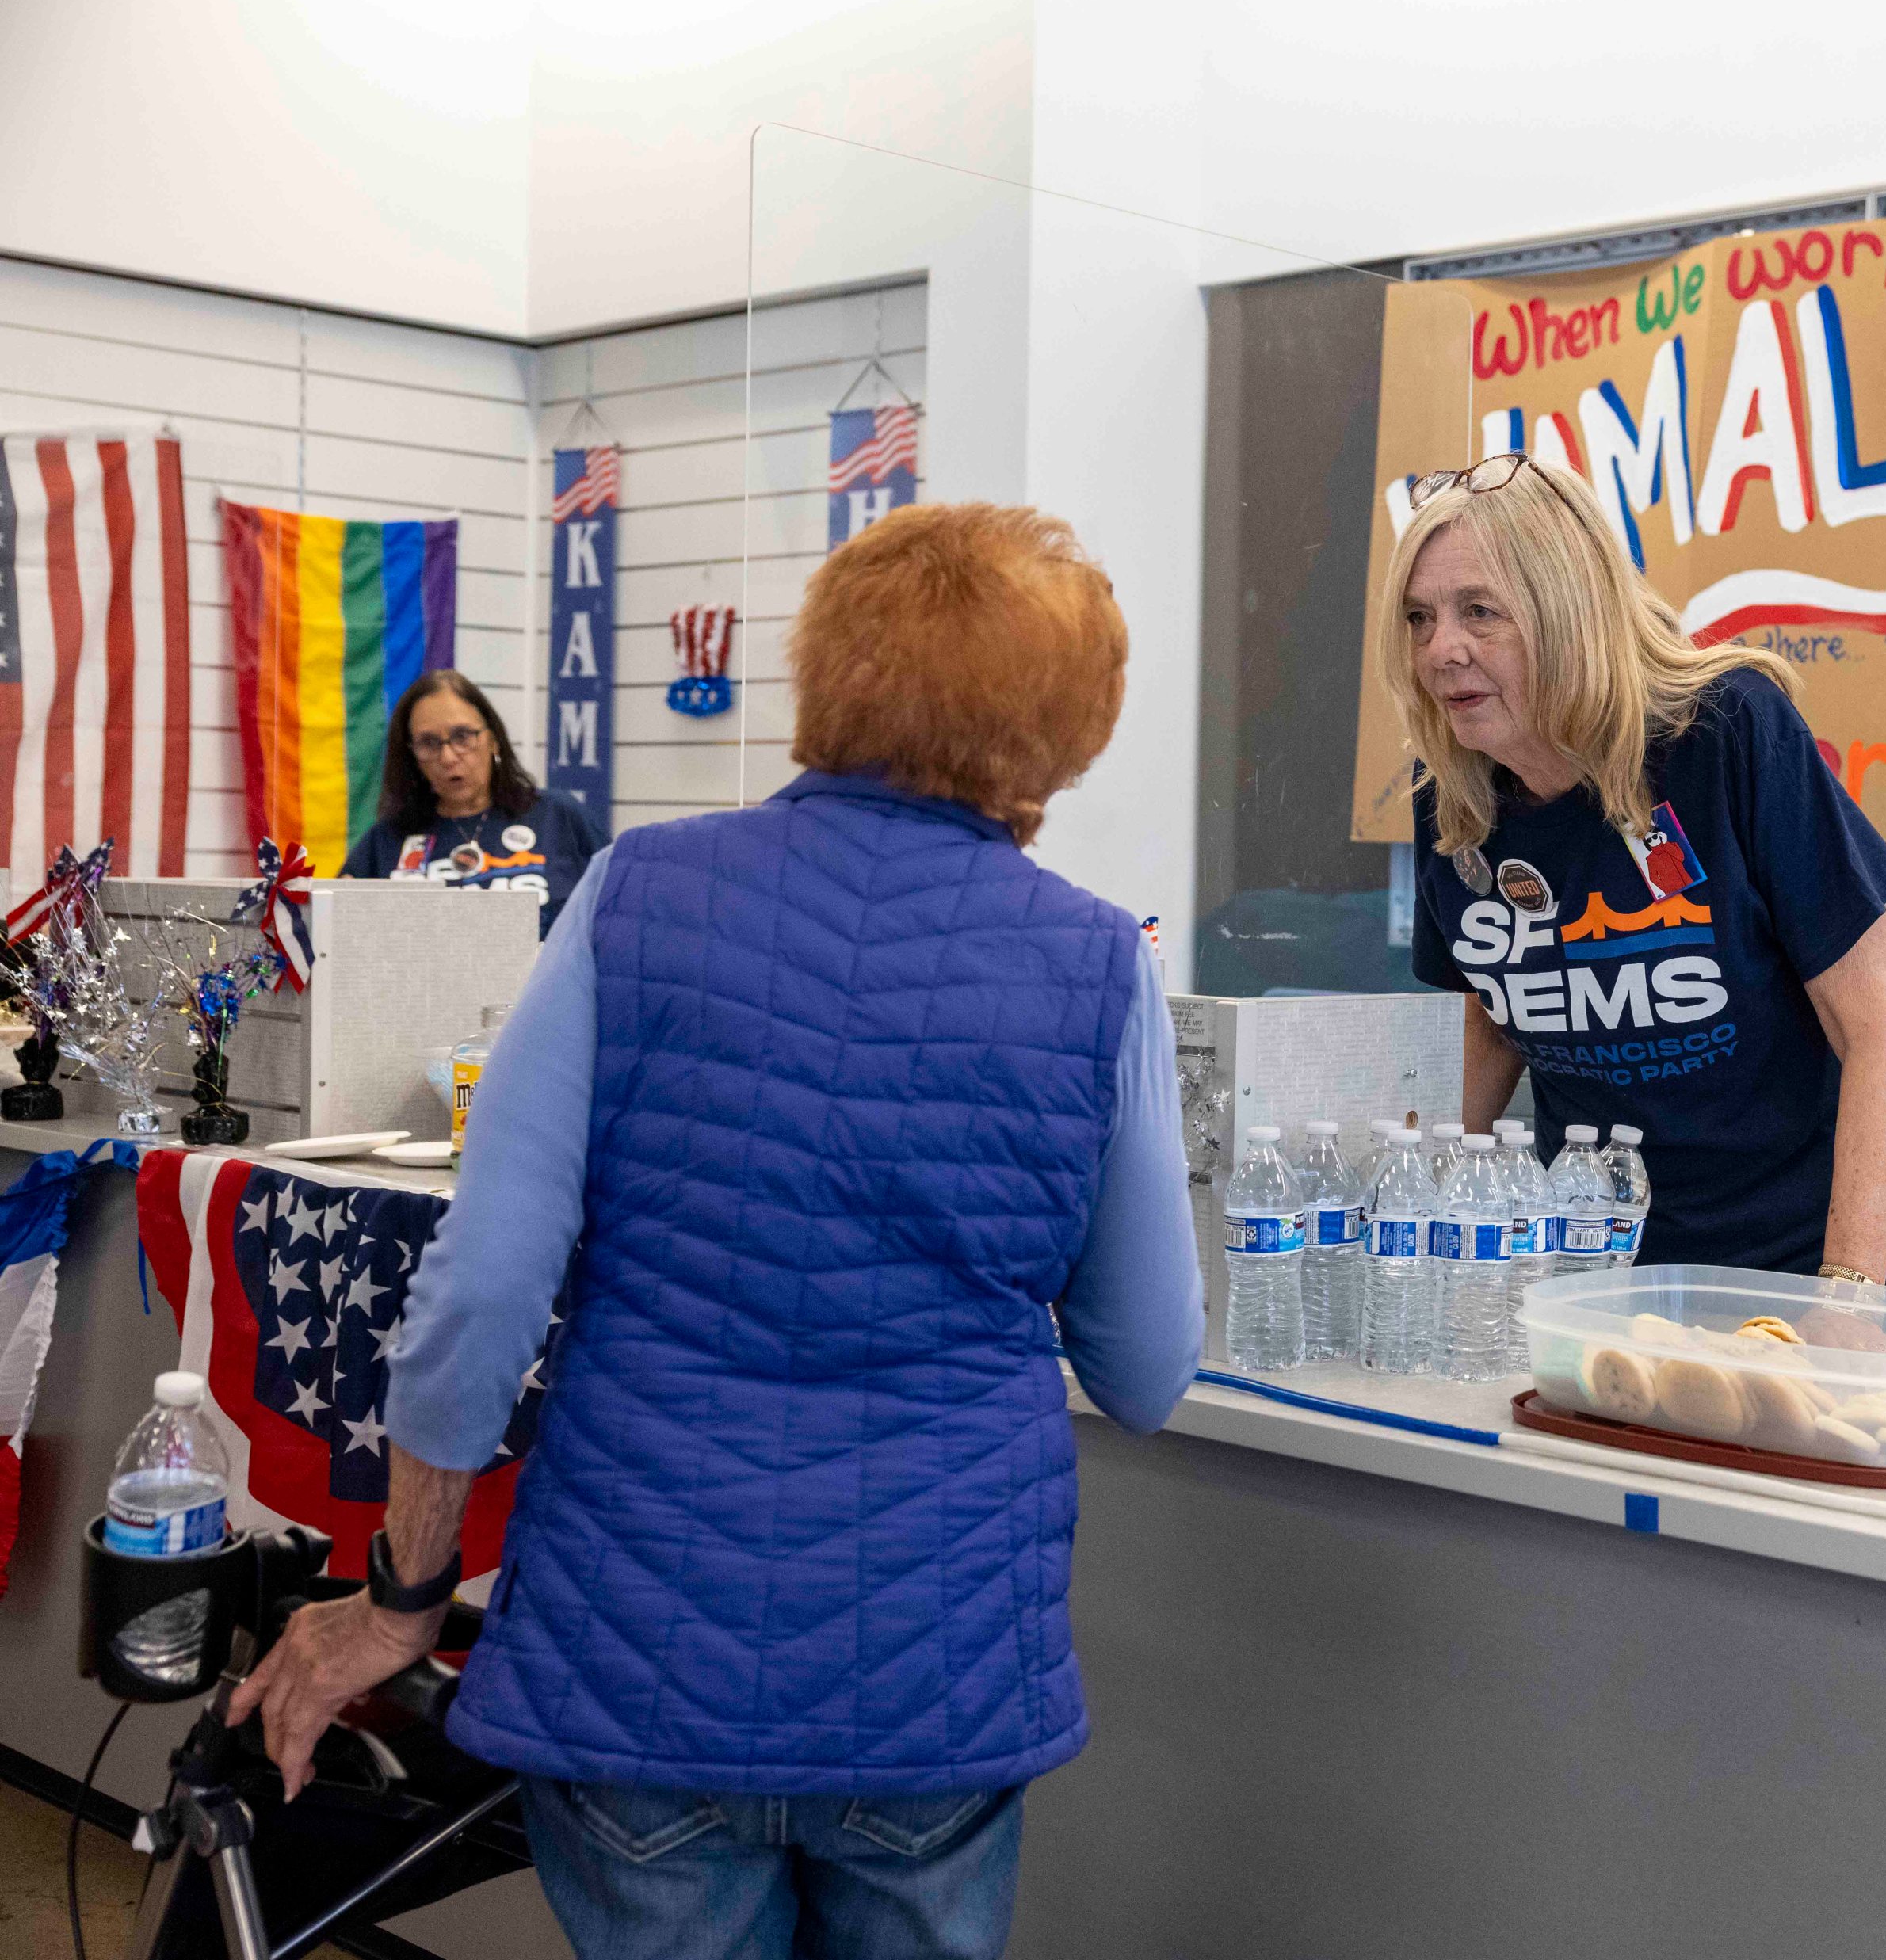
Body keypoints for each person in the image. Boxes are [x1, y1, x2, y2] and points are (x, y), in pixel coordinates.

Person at [235, 505, 1207, 1960]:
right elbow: (1145, 1366)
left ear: (828, 677)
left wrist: (402, 1600)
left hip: (642, 1661)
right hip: (935, 1671)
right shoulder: (1097, 965)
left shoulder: (635, 894)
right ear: (1067, 731)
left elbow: (483, 1290)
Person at [1382, 453, 1886, 1291]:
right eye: (1419, 617)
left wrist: (1847, 1292)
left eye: (1479, 611)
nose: (1441, 649)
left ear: (1566, 610)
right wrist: (1410, 1227)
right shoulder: (1452, 793)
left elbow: (1876, 1024)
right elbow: (1490, 1024)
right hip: (1587, 1251)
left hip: (1789, 1250)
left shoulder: (1728, 733)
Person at [339, 669, 607, 932]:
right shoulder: (389, 838)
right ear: (412, 755)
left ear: (493, 741)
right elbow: (339, 932)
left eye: (463, 737)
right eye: (429, 743)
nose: (448, 758)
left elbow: (621, 908)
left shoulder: (557, 817)